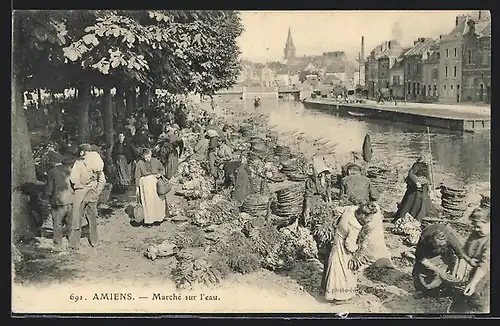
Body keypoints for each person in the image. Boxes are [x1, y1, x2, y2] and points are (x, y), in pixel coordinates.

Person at [323, 202, 377, 302]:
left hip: (336, 240)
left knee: (333, 267)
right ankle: (340, 296)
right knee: (343, 272)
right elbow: (350, 246)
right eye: (369, 218)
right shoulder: (355, 226)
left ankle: (329, 291)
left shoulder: (351, 209)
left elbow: (337, 209)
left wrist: (339, 223)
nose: (370, 220)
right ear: (362, 215)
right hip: (343, 250)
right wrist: (359, 246)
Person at [449, 208, 490, 313]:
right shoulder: (475, 234)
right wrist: (463, 264)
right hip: (476, 273)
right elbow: (464, 251)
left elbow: (484, 265)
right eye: (474, 226)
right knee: (469, 298)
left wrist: (473, 283)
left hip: (487, 276)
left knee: (483, 303)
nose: (475, 229)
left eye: (479, 226)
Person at [412, 223, 469, 296]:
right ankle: (425, 289)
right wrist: (436, 269)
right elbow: (420, 257)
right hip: (428, 252)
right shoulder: (424, 238)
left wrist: (460, 271)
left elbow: (462, 255)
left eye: (441, 245)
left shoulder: (450, 238)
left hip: (446, 252)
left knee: (450, 265)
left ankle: (444, 286)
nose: (439, 247)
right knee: (421, 276)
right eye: (437, 246)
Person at [69, 144, 106, 250]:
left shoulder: (78, 162)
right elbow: (102, 181)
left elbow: (73, 179)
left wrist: (79, 186)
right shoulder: (97, 161)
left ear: (82, 152)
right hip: (92, 192)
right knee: (92, 218)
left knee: (76, 217)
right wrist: (96, 191)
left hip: (80, 193)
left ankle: (74, 244)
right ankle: (94, 241)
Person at [392, 153, 438, 223]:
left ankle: (422, 216)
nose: (429, 161)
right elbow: (411, 174)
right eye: (428, 159)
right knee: (412, 205)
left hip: (424, 188)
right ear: (424, 159)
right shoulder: (417, 165)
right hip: (416, 189)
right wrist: (417, 182)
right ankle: (412, 217)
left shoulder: (426, 166)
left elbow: (428, 176)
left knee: (424, 204)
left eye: (430, 160)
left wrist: (430, 184)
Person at [45, 151, 74, 250]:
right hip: (70, 199)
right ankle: (72, 240)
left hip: (58, 201)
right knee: (70, 221)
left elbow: (49, 189)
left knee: (57, 223)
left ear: (52, 161)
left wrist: (46, 196)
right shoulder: (69, 169)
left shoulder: (51, 172)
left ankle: (58, 243)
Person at [134, 148, 169, 227]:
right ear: (143, 156)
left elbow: (162, 170)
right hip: (145, 186)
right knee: (148, 203)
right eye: (145, 157)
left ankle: (158, 219)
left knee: (158, 202)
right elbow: (137, 176)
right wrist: (137, 187)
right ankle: (149, 221)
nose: (147, 159)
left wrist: (160, 174)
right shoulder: (139, 163)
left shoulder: (156, 161)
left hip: (155, 184)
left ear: (151, 155)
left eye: (148, 157)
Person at [302, 160, 331, 228]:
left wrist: (329, 200)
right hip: (313, 200)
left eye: (325, 173)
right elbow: (308, 197)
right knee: (313, 217)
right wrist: (307, 210)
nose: (324, 175)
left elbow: (328, 189)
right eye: (322, 173)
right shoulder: (310, 182)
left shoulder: (327, 180)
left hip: (321, 199)